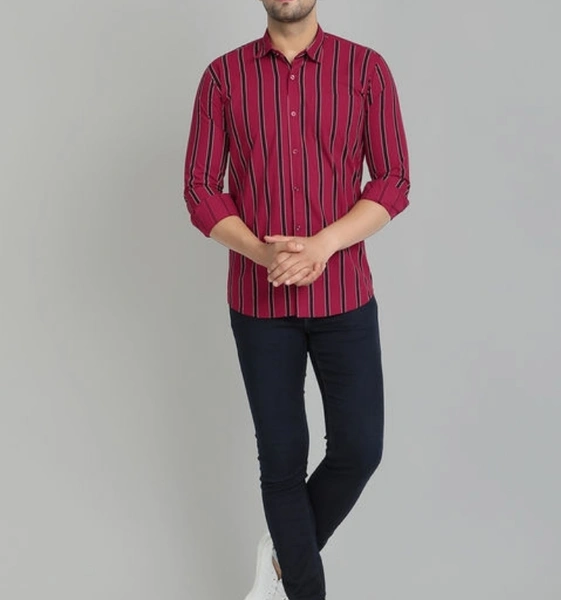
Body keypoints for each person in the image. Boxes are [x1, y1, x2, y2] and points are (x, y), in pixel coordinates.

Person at [182, 1, 410, 598]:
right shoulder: (223, 78)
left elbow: (393, 179)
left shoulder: (366, 70)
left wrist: (324, 245)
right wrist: (264, 254)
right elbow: (201, 189)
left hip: (345, 296)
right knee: (282, 460)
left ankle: (284, 556)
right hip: (259, 306)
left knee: (359, 449)